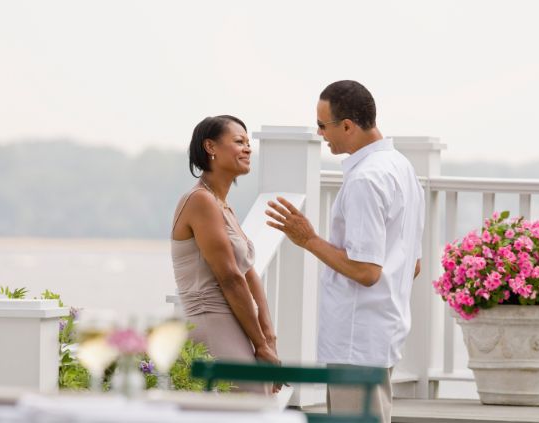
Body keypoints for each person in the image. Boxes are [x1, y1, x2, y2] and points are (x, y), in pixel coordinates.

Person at [265, 80, 424, 421]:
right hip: (382, 331)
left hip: (359, 339)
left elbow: (367, 271)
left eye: (323, 125)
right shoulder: (402, 168)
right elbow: (413, 264)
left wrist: (308, 239)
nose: (320, 133)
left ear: (348, 126)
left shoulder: (367, 179)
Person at [171, 115, 280, 393]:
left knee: (256, 403)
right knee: (248, 404)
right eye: (239, 141)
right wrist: (261, 345)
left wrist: (268, 337)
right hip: (211, 320)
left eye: (248, 143)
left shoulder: (224, 207)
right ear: (211, 147)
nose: (247, 149)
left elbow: (249, 272)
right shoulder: (200, 201)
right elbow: (230, 277)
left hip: (235, 322)